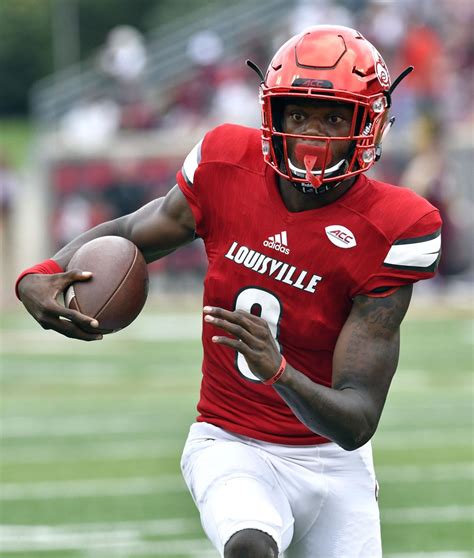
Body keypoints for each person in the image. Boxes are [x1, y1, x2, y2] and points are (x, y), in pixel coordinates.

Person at [15, 26, 442, 558]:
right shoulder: (225, 164)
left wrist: (279, 371)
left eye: (334, 117)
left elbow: (356, 421)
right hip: (230, 441)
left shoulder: (395, 225)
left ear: (370, 124)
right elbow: (132, 233)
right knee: (250, 548)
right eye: (299, 113)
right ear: (272, 115)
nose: (312, 131)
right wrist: (42, 271)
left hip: (334, 461)